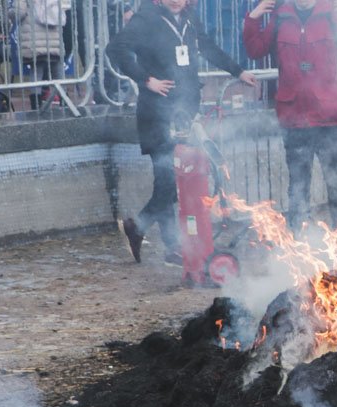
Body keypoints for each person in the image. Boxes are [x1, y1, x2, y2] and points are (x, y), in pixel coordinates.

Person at [109, 0, 257, 264]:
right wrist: (146, 80)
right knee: (166, 182)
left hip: (183, 112)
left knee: (174, 181)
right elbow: (116, 49)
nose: (177, 0)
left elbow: (208, 47)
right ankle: (143, 228)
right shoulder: (146, 18)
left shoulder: (190, 17)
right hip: (156, 114)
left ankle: (171, 246)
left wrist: (238, 70)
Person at [243, 0, 337, 231]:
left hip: (328, 118)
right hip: (294, 119)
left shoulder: (331, 14)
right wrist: (254, 17)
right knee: (298, 186)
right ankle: (298, 242)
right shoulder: (281, 17)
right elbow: (254, 50)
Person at [14, 0, 69, 108]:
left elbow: (18, 13)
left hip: (35, 41)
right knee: (58, 72)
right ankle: (65, 101)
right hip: (54, 39)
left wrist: (10, 11)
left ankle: (36, 104)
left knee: (36, 73)